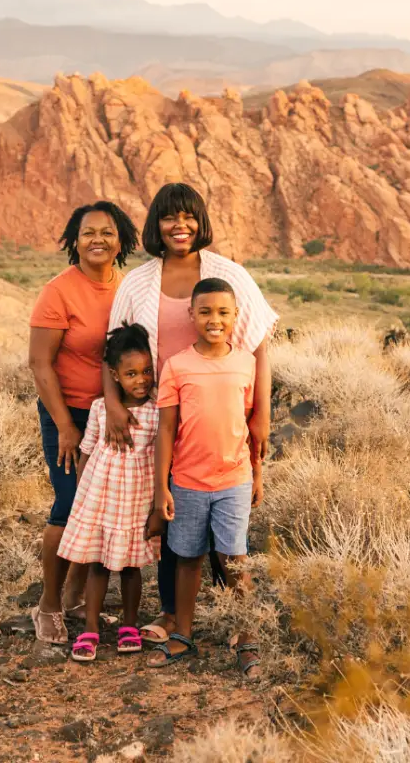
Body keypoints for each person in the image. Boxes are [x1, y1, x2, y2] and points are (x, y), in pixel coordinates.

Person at [102, 183, 277, 673]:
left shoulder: (228, 275)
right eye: (168, 218)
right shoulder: (138, 282)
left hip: (220, 414)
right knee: (166, 518)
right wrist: (115, 404)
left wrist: (260, 414)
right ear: (155, 224)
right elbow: (112, 346)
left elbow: (259, 346)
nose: (180, 227)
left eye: (189, 217)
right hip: (157, 415)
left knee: (223, 530)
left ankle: (234, 618)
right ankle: (175, 615)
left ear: (201, 221)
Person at [28, 201, 138, 644]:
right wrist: (66, 427)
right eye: (88, 232)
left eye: (107, 232)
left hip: (113, 417)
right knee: (69, 506)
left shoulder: (128, 288)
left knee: (104, 508)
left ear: (121, 241)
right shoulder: (59, 291)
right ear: (74, 240)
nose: (97, 240)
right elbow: (40, 364)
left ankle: (76, 594)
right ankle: (49, 606)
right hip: (69, 414)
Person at [147, 278, 263, 675]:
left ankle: (248, 638)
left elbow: (248, 423)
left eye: (224, 312)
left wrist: (257, 475)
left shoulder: (246, 363)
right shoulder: (177, 366)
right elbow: (165, 430)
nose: (215, 320)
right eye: (206, 311)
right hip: (188, 481)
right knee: (187, 559)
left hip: (234, 479)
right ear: (191, 314)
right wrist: (161, 486)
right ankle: (183, 635)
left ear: (235, 316)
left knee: (235, 560)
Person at [58, 323, 159, 662]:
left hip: (136, 502)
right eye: (131, 373)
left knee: (131, 568)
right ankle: (90, 629)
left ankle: (129, 625)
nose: (141, 379)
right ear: (114, 375)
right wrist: (83, 496)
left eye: (146, 371)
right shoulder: (102, 408)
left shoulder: (157, 411)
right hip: (102, 500)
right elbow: (87, 449)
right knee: (98, 564)